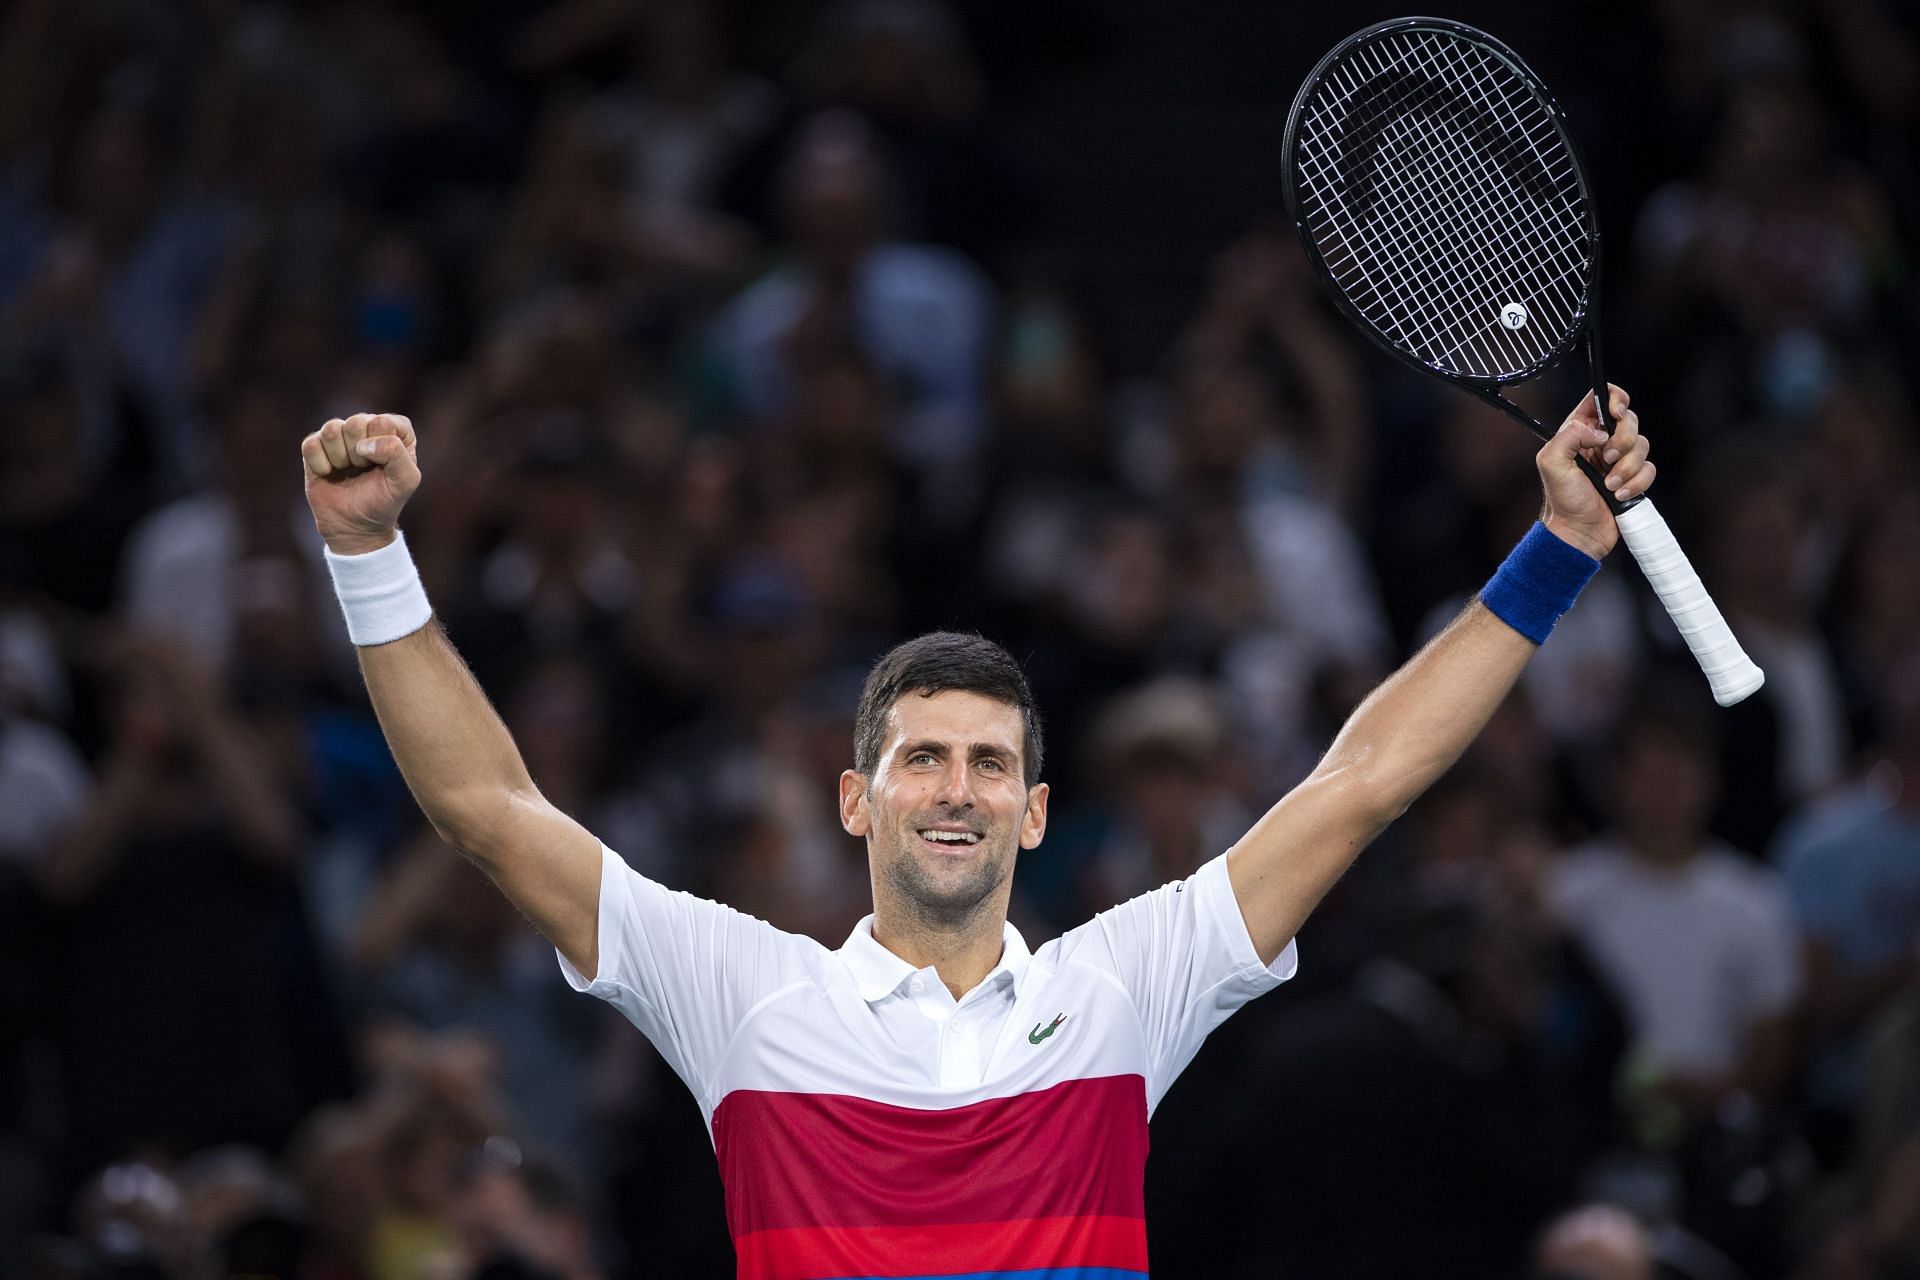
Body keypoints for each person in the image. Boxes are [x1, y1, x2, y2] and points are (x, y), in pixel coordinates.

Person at [299, 387, 1655, 1277]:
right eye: (923, 759)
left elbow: (1360, 780)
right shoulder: (749, 997)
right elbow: (488, 812)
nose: (957, 788)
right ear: (856, 800)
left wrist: (1557, 546)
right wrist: (368, 556)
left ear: (1037, 810)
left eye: (991, 764)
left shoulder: (1123, 984)